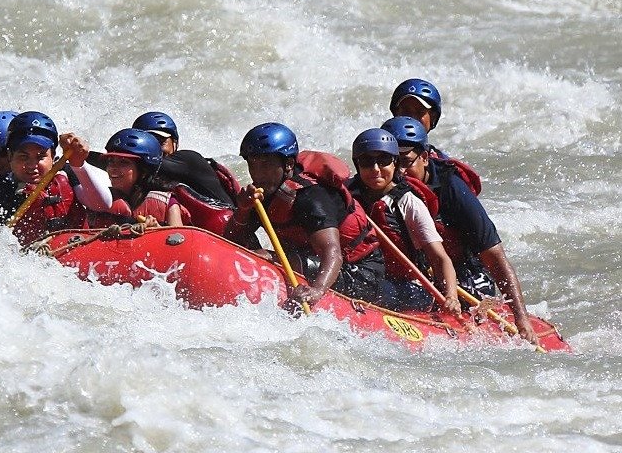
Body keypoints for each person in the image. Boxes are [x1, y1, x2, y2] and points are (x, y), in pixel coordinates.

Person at [382, 116, 537, 342]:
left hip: (467, 275)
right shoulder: (381, 181)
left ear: (424, 157)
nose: (399, 172)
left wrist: (521, 319)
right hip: (423, 272)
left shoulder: (452, 188)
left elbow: (494, 257)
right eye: (392, 162)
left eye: (405, 162)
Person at [224, 123, 385, 306]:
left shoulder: (311, 197)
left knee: (276, 258)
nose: (258, 173)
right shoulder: (264, 191)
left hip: (359, 272)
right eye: (253, 164)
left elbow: (332, 253)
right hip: (308, 257)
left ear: (289, 164)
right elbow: (231, 240)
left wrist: (316, 290)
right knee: (249, 245)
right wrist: (243, 210)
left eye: (266, 164)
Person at [347, 128, 461, 315]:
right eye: (367, 161)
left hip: (410, 288)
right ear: (357, 165)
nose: (375, 169)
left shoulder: (409, 203)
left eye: (383, 160)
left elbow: (440, 259)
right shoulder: (348, 196)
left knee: (365, 286)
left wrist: (451, 297)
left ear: (395, 163)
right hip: (364, 274)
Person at [0, 111, 112, 246]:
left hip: (76, 250)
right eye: (23, 157)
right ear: (10, 157)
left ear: (52, 156)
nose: (32, 165)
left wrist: (79, 164)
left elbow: (102, 205)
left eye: (40, 157)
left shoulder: (68, 174)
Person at [90, 128, 185, 227]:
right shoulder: (97, 199)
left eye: (123, 162)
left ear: (144, 171)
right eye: (111, 161)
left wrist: (157, 229)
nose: (113, 168)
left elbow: (181, 240)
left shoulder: (168, 204)